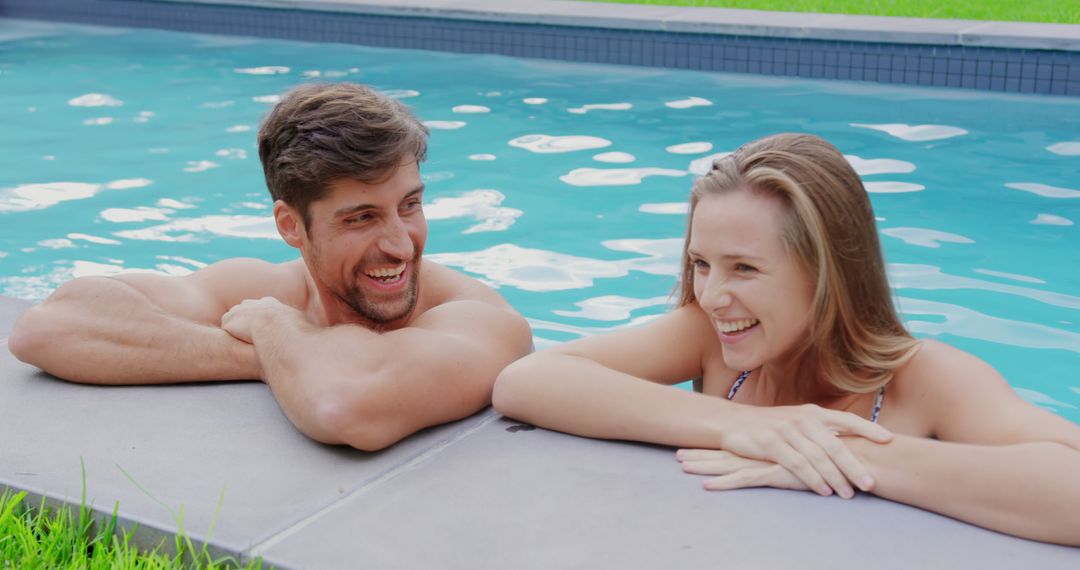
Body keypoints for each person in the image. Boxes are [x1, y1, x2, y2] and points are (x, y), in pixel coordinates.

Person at [493, 133, 1080, 545]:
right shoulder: (707, 336)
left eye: (744, 269)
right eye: (701, 263)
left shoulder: (923, 379)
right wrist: (754, 429)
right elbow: (529, 382)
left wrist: (838, 455)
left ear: (829, 273)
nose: (714, 294)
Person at [9, 83, 533, 452]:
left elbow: (346, 408)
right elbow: (47, 328)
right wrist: (276, 358)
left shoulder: (476, 315)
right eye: (362, 218)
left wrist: (273, 328)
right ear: (290, 226)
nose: (400, 244)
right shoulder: (263, 285)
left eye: (410, 205)